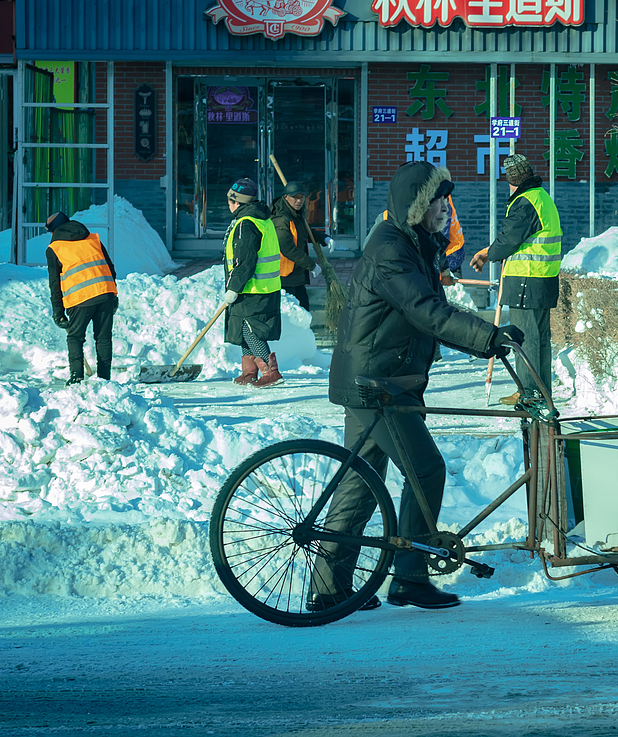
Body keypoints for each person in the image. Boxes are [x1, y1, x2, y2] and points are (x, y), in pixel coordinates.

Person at [319, 160, 523, 612]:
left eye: (446, 201)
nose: (445, 209)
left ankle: (330, 587)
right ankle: (409, 576)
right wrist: (487, 337)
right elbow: (426, 310)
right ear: (416, 206)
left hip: (379, 378)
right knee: (426, 469)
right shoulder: (392, 249)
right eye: (437, 201)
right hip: (379, 385)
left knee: (361, 481)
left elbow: (428, 307)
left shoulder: (412, 243)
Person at [471, 152, 561, 406]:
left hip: (526, 280)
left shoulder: (525, 203)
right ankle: (541, 392)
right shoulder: (542, 197)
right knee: (540, 339)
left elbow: (507, 242)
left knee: (526, 340)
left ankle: (531, 393)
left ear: (512, 181)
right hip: (542, 280)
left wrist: (486, 254)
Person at [223, 177, 284, 388]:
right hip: (263, 287)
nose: (228, 205)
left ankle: (271, 371)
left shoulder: (246, 224)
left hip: (253, 289)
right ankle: (249, 372)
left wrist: (233, 288)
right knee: (243, 328)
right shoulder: (261, 220)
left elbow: (244, 262)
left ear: (237, 203)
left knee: (251, 330)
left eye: (230, 201)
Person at [45, 211, 119, 384]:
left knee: (75, 337)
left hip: (80, 299)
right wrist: (113, 295)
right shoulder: (92, 239)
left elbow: (54, 284)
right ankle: (104, 379)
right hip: (105, 292)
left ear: (53, 230)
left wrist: (58, 313)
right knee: (103, 337)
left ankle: (76, 377)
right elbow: (110, 268)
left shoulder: (54, 249)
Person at [270, 180, 318, 312]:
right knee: (293, 312)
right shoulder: (280, 219)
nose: (298, 201)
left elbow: (303, 233)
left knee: (303, 309)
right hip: (285, 275)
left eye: (301, 197)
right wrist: (311, 265)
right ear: (286, 197)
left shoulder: (296, 214)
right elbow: (287, 248)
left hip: (297, 274)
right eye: (295, 198)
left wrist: (323, 237)